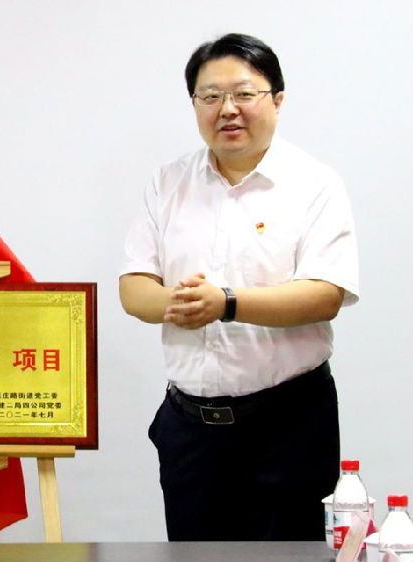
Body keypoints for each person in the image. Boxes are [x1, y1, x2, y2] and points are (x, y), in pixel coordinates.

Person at [119, 33, 359, 541]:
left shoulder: (314, 184)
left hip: (288, 424)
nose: (227, 109)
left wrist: (225, 304)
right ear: (195, 104)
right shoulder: (168, 182)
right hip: (189, 428)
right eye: (210, 96)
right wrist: (184, 303)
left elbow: (325, 294)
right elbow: (134, 288)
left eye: (244, 94)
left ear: (277, 99)